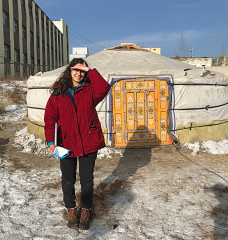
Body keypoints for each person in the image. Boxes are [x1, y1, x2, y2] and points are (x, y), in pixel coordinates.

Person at [44, 58, 111, 230]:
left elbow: (105, 88)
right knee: (68, 179)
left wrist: (91, 71)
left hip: (88, 141)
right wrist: (51, 141)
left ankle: (86, 209)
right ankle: (71, 209)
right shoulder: (57, 93)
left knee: (87, 180)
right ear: (70, 70)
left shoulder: (90, 90)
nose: (79, 74)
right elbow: (50, 119)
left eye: (82, 71)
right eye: (76, 69)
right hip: (64, 143)